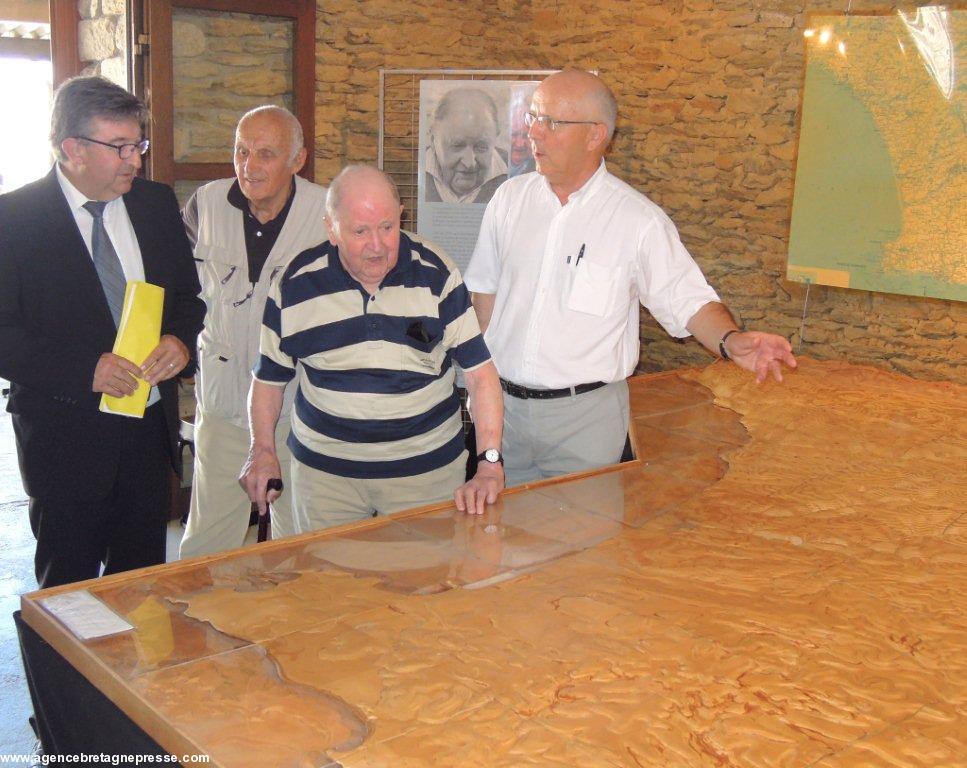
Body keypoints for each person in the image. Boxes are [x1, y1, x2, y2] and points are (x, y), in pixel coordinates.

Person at [464, 70, 797, 488]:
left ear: (595, 135)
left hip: (585, 421)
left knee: (584, 543)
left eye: (550, 122)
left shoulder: (636, 220)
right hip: (502, 414)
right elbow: (485, 295)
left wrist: (731, 342)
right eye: (532, 117)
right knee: (499, 540)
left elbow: (687, 299)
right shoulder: (508, 201)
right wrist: (476, 383)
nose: (533, 133)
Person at [0, 76, 204, 588]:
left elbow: (188, 299)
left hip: (146, 433)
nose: (135, 159)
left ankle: (135, 673)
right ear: (72, 149)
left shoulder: (155, 205)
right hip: (63, 437)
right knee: (68, 590)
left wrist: (179, 342)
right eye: (120, 147)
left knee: (141, 583)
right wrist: (84, 369)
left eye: (138, 144)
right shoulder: (14, 219)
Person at [240, 164, 504, 529]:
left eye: (387, 227)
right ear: (331, 229)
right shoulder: (295, 284)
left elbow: (479, 373)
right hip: (326, 478)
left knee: (425, 580)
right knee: (328, 580)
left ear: (401, 217)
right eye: (361, 231)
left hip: (426, 474)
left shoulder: (435, 273)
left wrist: (489, 462)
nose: (377, 246)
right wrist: (262, 450)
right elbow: (269, 379)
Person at [178, 106, 329, 559]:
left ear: (297, 160)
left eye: (265, 154)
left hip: (299, 407)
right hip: (224, 405)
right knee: (206, 545)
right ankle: (197, 625)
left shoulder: (327, 213)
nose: (249, 166)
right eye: (241, 151)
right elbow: (179, 291)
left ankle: (286, 627)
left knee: (297, 543)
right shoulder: (203, 206)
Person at [425, 88, 507, 204]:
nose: (470, 164)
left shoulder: (514, 173)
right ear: (433, 139)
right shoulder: (414, 172)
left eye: (481, 147)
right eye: (457, 145)